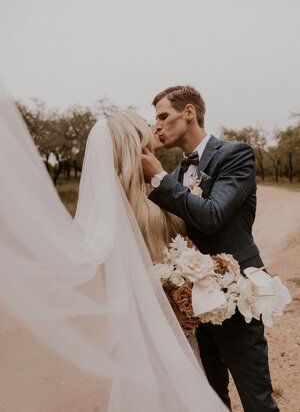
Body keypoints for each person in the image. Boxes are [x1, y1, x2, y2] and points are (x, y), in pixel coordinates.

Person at [0, 81, 227, 411]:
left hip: (183, 321)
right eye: (147, 125)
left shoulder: (161, 189)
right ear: (133, 144)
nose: (154, 127)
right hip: (154, 323)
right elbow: (93, 253)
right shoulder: (118, 208)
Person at [141, 85, 279, 412]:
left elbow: (213, 216)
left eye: (163, 116)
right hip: (193, 303)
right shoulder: (175, 174)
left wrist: (159, 178)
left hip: (237, 294)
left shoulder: (235, 154)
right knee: (210, 397)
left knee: (256, 398)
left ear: (189, 112)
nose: (156, 125)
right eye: (154, 119)